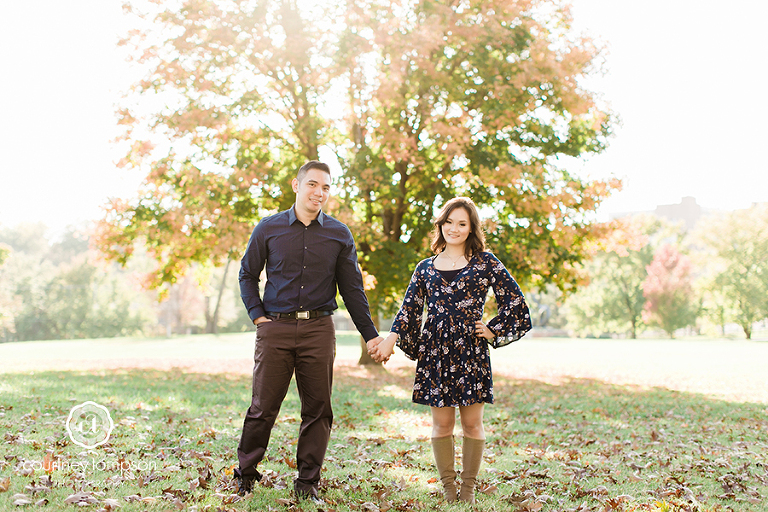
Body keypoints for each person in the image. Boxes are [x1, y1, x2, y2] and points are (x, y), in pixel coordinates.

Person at [235, 160, 383, 503]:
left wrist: (371, 334)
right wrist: (258, 316)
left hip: (319, 329)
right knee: (262, 407)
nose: (320, 193)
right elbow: (247, 274)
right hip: (276, 328)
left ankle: (307, 484)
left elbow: (353, 290)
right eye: (313, 185)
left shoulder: (339, 234)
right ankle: (245, 475)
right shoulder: (268, 228)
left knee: (318, 410)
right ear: (296, 185)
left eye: (326, 187)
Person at [368, 196, 531, 503]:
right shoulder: (425, 268)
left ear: (471, 229)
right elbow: (409, 311)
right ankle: (449, 491)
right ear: (440, 224)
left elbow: (515, 302)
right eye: (449, 222)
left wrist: (493, 328)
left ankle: (467, 490)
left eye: (462, 224)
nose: (454, 229)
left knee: (472, 423)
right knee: (442, 423)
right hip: (436, 352)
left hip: (471, 352)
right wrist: (390, 340)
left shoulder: (486, 263)